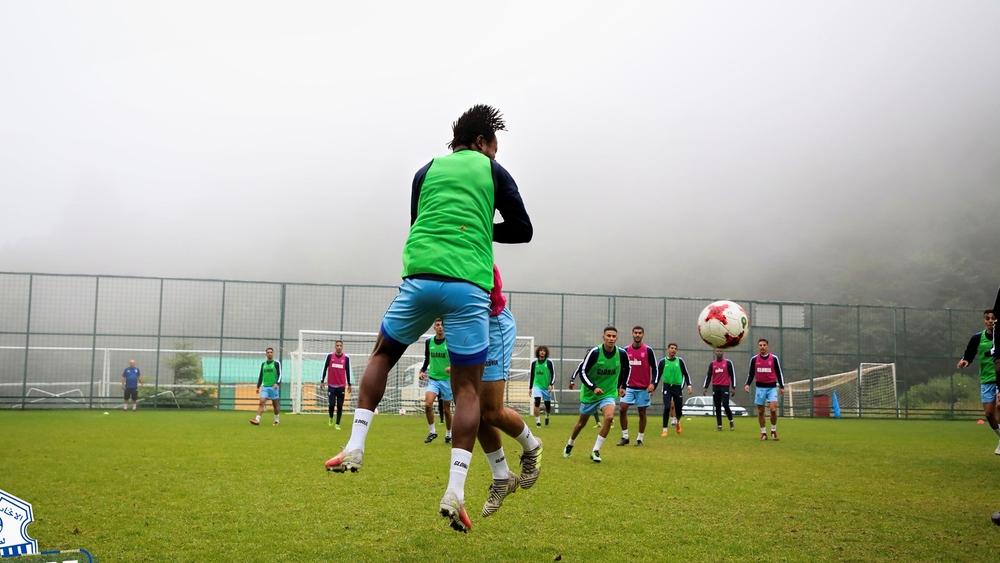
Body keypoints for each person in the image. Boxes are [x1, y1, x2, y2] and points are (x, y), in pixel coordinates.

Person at [324, 104, 532, 534]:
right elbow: (523, 228)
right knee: (467, 388)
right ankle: (455, 489)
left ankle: (355, 445)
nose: (495, 153)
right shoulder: (493, 172)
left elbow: (420, 223)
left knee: (382, 353)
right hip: (469, 286)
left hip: (420, 276)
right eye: (494, 146)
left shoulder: (424, 171)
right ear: (481, 142)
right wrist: (479, 227)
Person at [477, 265, 543, 517]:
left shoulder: (473, 244)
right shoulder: (431, 251)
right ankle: (502, 477)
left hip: (493, 325)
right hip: (467, 328)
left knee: (491, 412)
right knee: (473, 413)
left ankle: (532, 445)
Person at [562, 327, 630, 463]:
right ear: (603, 337)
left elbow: (627, 369)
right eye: (608, 336)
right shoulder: (595, 352)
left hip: (608, 393)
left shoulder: (622, 353)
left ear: (616, 338)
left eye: (613, 336)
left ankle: (595, 450)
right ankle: (570, 443)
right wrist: (593, 387)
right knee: (581, 424)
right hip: (590, 394)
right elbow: (582, 371)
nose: (611, 338)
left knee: (609, 417)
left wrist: (623, 386)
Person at [956, 309, 1000, 455]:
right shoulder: (977, 338)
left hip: (999, 378)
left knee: (999, 405)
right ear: (984, 320)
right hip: (987, 380)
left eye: (993, 318)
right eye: (987, 318)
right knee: (988, 414)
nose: (990, 321)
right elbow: (969, 354)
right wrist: (965, 361)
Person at [617, 326, 657, 446]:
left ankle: (640, 439)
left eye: (640, 333)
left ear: (643, 335)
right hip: (628, 387)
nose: (637, 335)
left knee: (642, 412)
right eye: (635, 333)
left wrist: (653, 383)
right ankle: (625, 437)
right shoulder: (625, 350)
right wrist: (620, 386)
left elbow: (655, 368)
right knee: (622, 408)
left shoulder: (648, 350)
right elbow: (621, 369)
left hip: (643, 388)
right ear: (632, 334)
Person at [419, 319, 453, 444]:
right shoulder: (429, 342)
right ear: (434, 327)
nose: (440, 327)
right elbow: (427, 358)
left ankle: (449, 433)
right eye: (438, 325)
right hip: (433, 379)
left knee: (446, 410)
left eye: (442, 325)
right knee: (428, 405)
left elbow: (457, 358)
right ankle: (432, 432)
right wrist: (422, 370)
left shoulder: (450, 342)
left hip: (447, 380)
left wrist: (452, 367)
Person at [744, 338, 785, 441]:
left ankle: (773, 431)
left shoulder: (774, 358)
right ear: (758, 347)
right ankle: (763, 433)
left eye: (764, 345)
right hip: (760, 388)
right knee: (761, 412)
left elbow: (779, 373)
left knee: (773, 409)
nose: (762, 347)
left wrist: (782, 386)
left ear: (767, 346)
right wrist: (747, 384)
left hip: (771, 388)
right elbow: (751, 374)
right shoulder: (754, 359)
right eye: (760, 345)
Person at [655, 343, 691, 436]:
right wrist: (653, 388)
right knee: (667, 407)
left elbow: (686, 374)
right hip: (667, 387)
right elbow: (657, 376)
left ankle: (678, 422)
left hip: (677, 388)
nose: (673, 350)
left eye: (675, 348)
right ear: (668, 349)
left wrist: (689, 385)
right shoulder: (663, 361)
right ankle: (664, 430)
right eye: (671, 348)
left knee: (679, 410)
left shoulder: (680, 361)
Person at [320, 340, 353, 429]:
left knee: (339, 405)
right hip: (331, 386)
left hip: (341, 386)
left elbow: (348, 371)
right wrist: (322, 380)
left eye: (340, 345)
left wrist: (349, 384)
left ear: (342, 347)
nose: (339, 347)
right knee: (331, 404)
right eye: (337, 345)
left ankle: (337, 424)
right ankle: (331, 418)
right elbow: (325, 368)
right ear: (335, 347)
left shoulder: (346, 358)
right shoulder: (330, 356)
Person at [703, 348, 737, 431]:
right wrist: (705, 387)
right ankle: (719, 426)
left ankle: (731, 421)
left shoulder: (728, 363)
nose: (719, 352)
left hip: (725, 387)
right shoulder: (712, 364)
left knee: (725, 405)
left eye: (721, 351)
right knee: (717, 407)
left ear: (723, 352)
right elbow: (708, 376)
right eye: (717, 351)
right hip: (715, 387)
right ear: (715, 352)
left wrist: (733, 387)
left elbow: (733, 375)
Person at [250, 347, 281, 426]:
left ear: (273, 353)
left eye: (271, 352)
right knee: (262, 402)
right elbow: (261, 375)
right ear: (266, 354)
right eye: (268, 352)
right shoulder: (263, 364)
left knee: (275, 405)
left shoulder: (276, 363)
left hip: (274, 387)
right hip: (265, 387)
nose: (269, 353)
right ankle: (257, 419)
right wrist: (258, 386)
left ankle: (277, 419)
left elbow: (280, 374)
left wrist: (277, 383)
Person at [530, 346, 555, 427]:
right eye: (540, 350)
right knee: (537, 401)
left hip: (546, 387)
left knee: (547, 405)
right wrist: (530, 388)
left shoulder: (549, 362)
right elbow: (532, 376)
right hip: (537, 386)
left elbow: (553, 374)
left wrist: (551, 384)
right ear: (538, 352)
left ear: (546, 353)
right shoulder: (534, 363)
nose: (542, 352)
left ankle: (547, 416)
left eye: (544, 351)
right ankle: (538, 422)